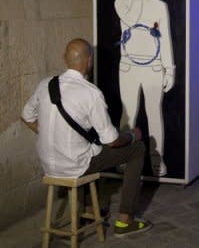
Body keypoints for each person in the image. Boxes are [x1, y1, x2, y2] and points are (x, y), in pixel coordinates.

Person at [21, 38, 152, 237]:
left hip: (48, 166)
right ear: (89, 62)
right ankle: (125, 221)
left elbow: (26, 116)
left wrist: (51, 135)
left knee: (93, 146)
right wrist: (133, 136)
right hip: (75, 166)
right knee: (137, 149)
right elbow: (112, 141)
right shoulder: (91, 93)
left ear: (65, 59)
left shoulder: (45, 85)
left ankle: (91, 211)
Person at [114, 0, 175, 177]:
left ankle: (156, 158)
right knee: (128, 114)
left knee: (153, 114)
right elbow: (133, 19)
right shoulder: (121, 3)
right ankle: (122, 157)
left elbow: (165, 38)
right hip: (129, 67)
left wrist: (170, 69)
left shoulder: (159, 6)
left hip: (153, 68)